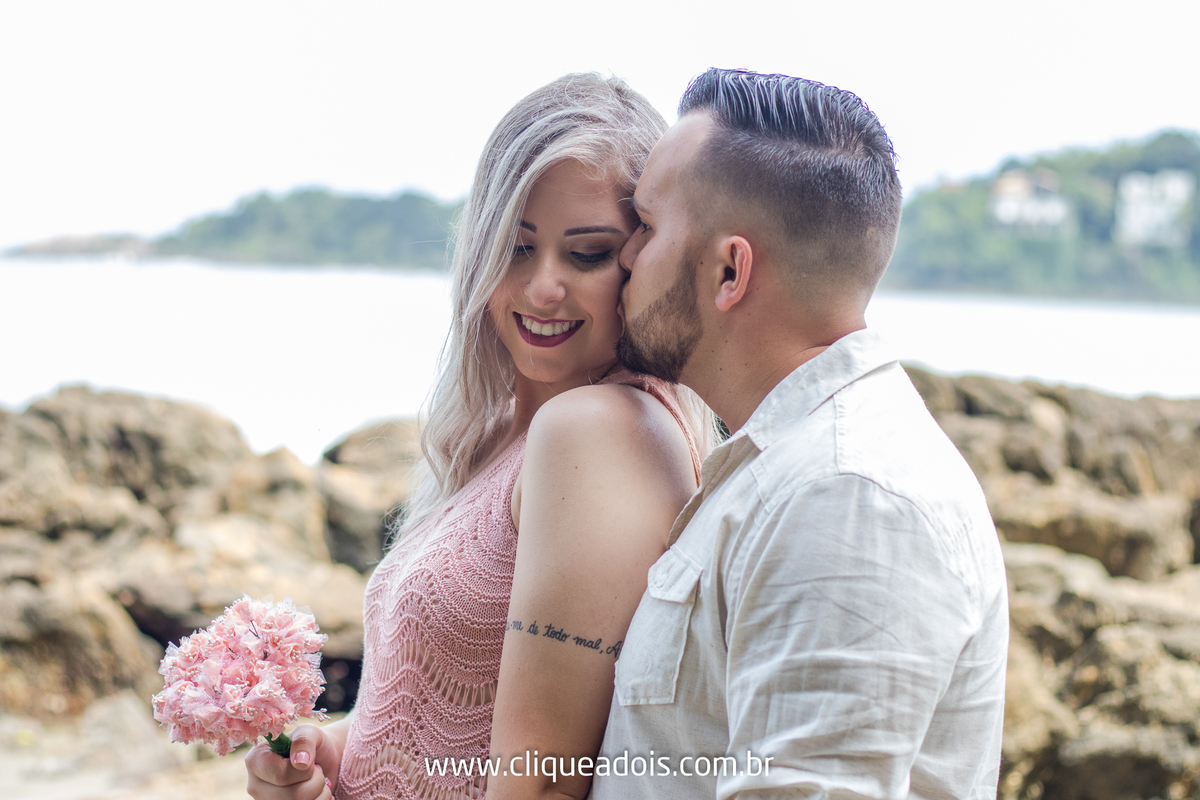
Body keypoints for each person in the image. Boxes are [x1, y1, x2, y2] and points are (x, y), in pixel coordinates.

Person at [244, 74, 713, 800]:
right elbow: (441, 722)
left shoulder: (597, 432)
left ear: (643, 260)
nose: (542, 287)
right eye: (517, 247)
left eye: (586, 253)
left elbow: (543, 783)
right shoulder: (501, 433)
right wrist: (326, 753)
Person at [592, 68, 1009, 798]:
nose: (624, 257)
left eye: (648, 228)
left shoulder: (848, 495)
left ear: (730, 270)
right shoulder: (790, 465)